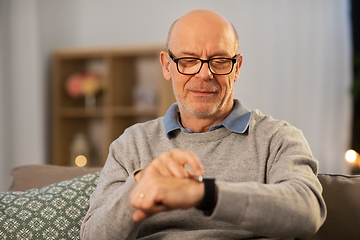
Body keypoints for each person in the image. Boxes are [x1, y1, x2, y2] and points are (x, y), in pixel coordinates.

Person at [81, 9, 326, 240]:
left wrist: (204, 194)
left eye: (219, 60)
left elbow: (307, 210)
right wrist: (141, 185)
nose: (204, 74)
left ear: (237, 67)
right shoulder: (132, 144)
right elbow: (91, 235)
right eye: (188, 60)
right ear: (167, 66)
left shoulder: (278, 138)